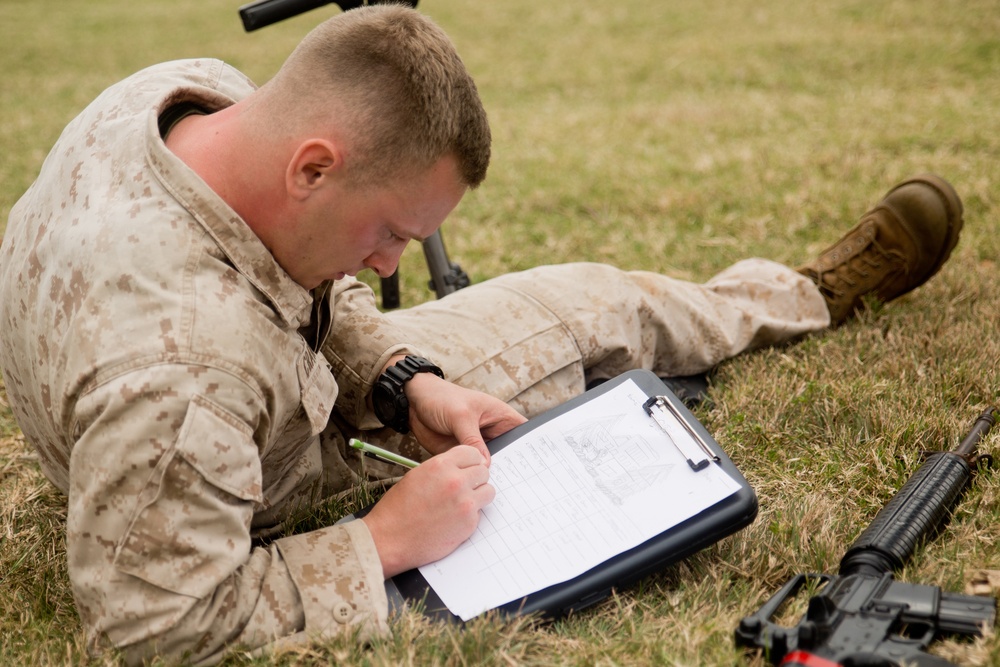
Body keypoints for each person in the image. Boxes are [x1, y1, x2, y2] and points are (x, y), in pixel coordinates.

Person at [0, 5, 963, 665]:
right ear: (313, 168)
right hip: (234, 455)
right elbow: (153, 623)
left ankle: (798, 297)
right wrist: (380, 541)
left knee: (565, 322)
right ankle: (808, 296)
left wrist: (401, 378)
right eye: (391, 233)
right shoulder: (187, 379)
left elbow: (277, 294)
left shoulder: (186, 98)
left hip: (221, 409)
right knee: (591, 304)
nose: (388, 266)